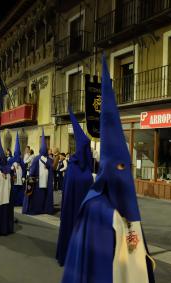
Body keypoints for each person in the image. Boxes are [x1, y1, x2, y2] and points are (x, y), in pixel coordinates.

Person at [62, 56, 155, 283]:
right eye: (119, 167)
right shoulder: (95, 208)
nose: (124, 173)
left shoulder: (124, 204)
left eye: (126, 167)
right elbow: (98, 266)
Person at [56, 108, 94, 266]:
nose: (88, 151)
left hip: (85, 211)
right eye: (86, 148)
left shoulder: (87, 167)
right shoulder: (72, 166)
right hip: (72, 210)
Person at [22, 129, 54, 215]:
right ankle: (45, 209)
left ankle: (36, 209)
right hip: (47, 183)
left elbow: (32, 171)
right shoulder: (49, 160)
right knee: (44, 196)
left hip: (37, 182)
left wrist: (30, 176)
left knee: (37, 197)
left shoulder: (36, 159)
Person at [10, 132, 26, 206]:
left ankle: (20, 202)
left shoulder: (21, 160)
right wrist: (11, 168)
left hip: (20, 178)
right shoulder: (11, 160)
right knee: (14, 190)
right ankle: (14, 202)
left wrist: (23, 176)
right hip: (14, 179)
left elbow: (24, 169)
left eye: (18, 153)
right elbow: (8, 168)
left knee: (20, 190)